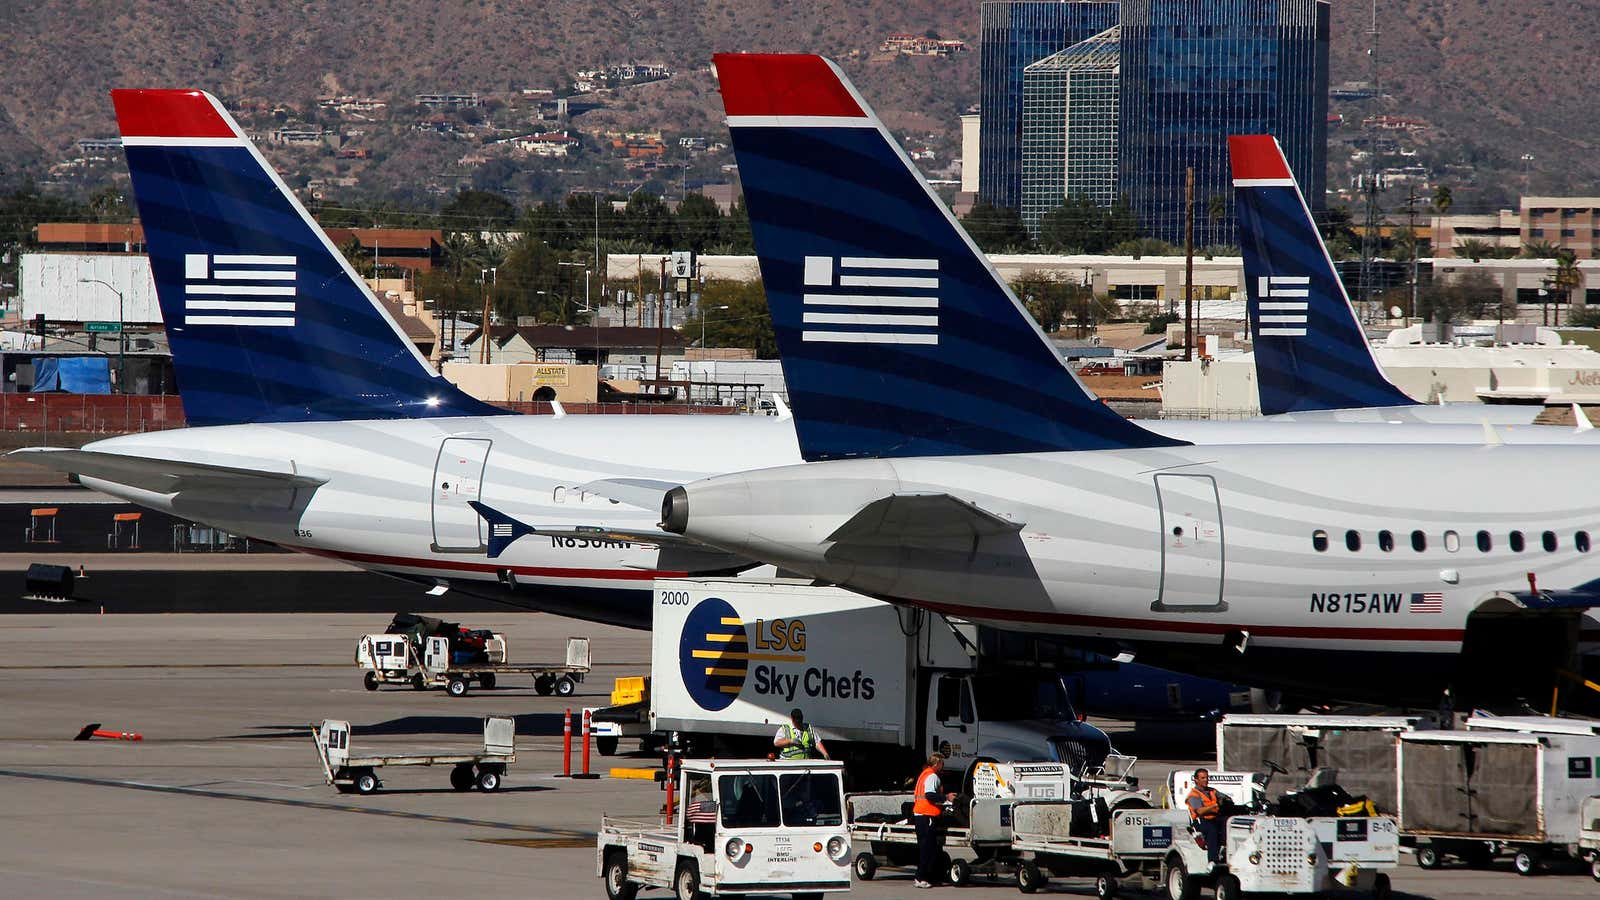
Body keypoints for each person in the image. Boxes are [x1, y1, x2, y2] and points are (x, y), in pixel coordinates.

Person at [912, 752, 957, 888]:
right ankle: (921, 878)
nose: (943, 766)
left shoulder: (924, 774)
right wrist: (946, 798)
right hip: (927, 815)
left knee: (926, 848)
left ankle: (925, 876)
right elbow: (930, 795)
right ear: (937, 763)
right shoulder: (932, 776)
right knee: (928, 849)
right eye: (942, 763)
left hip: (920, 814)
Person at [1186, 768, 1224, 863]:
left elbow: (1225, 798)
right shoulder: (1194, 795)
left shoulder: (1213, 791)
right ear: (1196, 780)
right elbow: (1199, 811)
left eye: (1207, 777)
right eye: (1202, 778)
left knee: (1229, 824)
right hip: (1201, 821)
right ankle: (1213, 861)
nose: (1206, 780)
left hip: (1215, 818)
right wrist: (1215, 805)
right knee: (1212, 831)